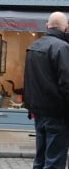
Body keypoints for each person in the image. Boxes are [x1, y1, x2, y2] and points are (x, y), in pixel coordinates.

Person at [23, 11, 69, 169]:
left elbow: (28, 81)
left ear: (47, 26)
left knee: (40, 159)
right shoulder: (62, 48)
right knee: (54, 161)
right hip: (57, 114)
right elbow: (67, 84)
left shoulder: (33, 46)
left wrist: (30, 108)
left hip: (39, 113)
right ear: (66, 28)